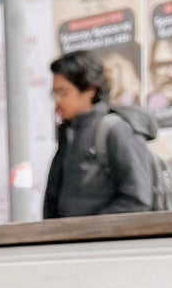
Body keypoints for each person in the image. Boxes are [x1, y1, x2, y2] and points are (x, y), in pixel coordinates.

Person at [43, 49, 156, 219]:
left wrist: (90, 231)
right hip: (71, 243)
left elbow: (137, 200)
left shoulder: (116, 130)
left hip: (105, 243)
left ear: (90, 89)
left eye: (63, 92)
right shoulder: (68, 134)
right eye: (54, 94)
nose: (57, 101)